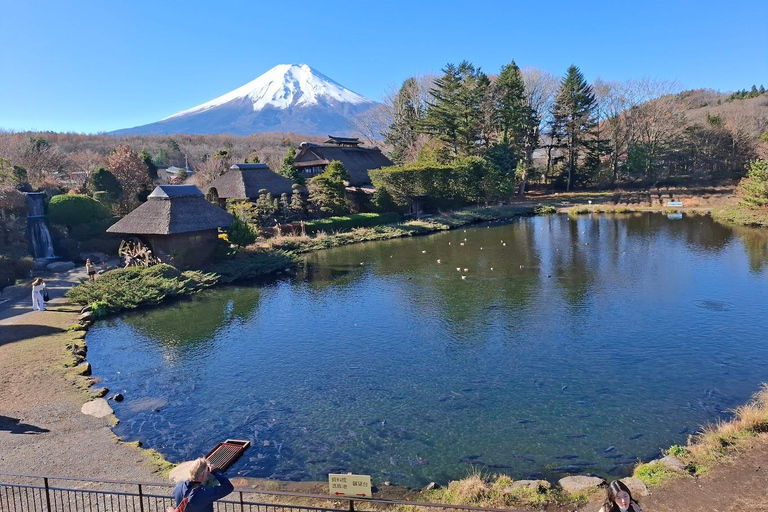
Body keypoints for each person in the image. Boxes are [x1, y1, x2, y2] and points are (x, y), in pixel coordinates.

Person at [167, 458, 233, 512]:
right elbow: (228, 487)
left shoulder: (179, 486)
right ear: (203, 475)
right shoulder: (205, 493)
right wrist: (214, 471)